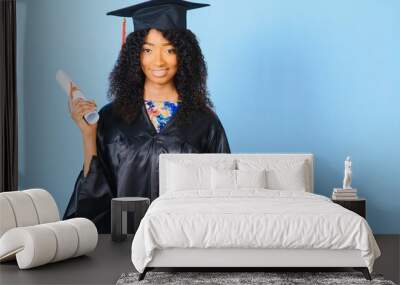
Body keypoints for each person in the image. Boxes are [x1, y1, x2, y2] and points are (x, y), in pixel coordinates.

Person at [63, 0, 231, 233]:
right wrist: (88, 135)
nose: (158, 61)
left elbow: (222, 196)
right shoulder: (111, 117)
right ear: (135, 55)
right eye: (148, 50)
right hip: (125, 242)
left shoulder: (205, 122)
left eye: (169, 49)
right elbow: (96, 195)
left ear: (183, 54)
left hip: (183, 242)